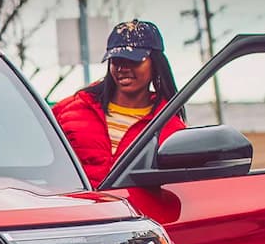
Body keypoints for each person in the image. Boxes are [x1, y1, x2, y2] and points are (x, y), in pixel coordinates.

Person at [53, 19, 186, 188]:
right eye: (116, 60)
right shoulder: (69, 111)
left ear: (156, 63)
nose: (123, 68)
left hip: (134, 213)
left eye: (133, 60)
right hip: (76, 211)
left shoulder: (172, 129)